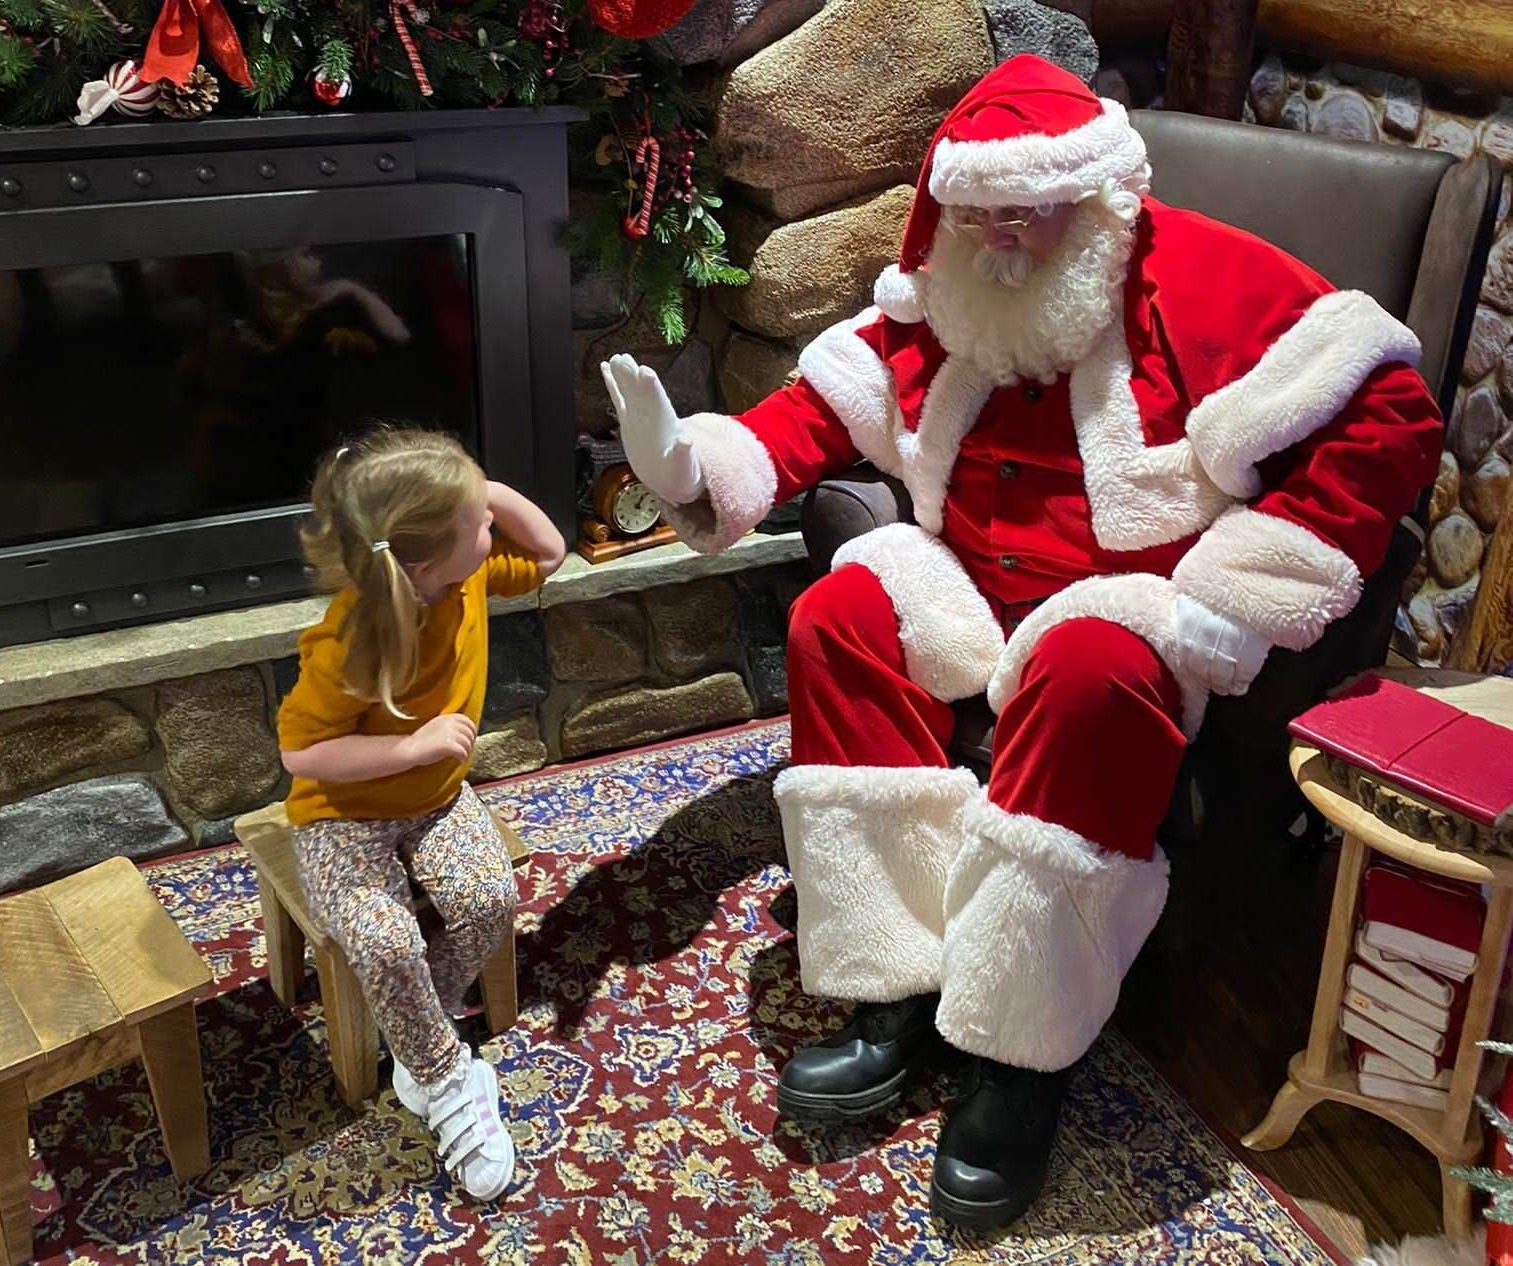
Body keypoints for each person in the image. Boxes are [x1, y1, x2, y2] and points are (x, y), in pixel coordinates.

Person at [601, 55, 1442, 1230]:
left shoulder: (1205, 276)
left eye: (1029, 211)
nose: (1001, 239)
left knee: (1084, 666)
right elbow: (816, 411)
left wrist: (1231, 594)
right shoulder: (948, 282)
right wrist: (695, 464)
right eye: (981, 213)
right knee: (838, 615)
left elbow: (1388, 408)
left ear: (1094, 194)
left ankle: (1019, 1056)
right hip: (969, 584)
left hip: (1126, 607)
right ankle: (897, 985)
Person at [276, 424, 565, 1200]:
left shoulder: (462, 577)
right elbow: (301, 756)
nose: (492, 530)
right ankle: (442, 1075)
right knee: (383, 936)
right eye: (480, 525)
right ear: (421, 562)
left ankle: (414, 1035)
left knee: (487, 897)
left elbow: (548, 554)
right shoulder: (347, 641)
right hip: (342, 813)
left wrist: (483, 490)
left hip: (435, 799)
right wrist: (411, 749)